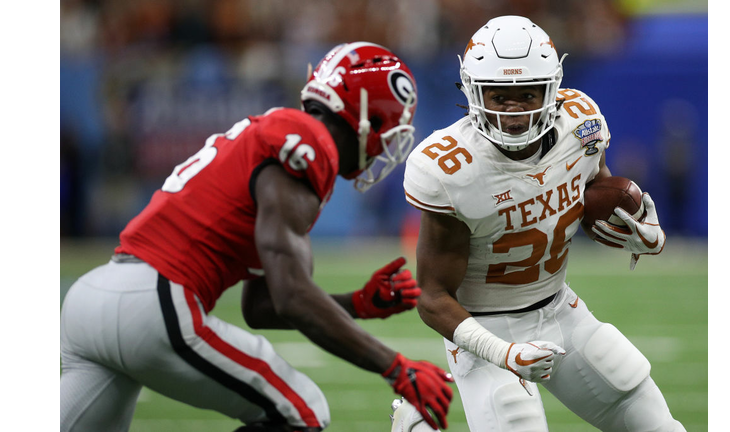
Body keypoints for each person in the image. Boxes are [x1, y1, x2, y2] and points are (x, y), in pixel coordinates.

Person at [60, 42, 454, 432]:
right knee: (304, 411)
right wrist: (395, 366)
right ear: (369, 116)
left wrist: (357, 304)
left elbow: (262, 307)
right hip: (153, 302)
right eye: (389, 130)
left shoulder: (280, 138)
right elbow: (292, 296)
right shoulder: (307, 143)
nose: (386, 146)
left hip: (92, 300)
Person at [394, 16, 685, 432]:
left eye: (527, 95)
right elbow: (432, 296)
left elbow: (594, 205)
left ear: (552, 90)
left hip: (560, 310)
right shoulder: (449, 168)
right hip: (482, 329)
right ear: (473, 92)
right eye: (498, 96)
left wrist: (638, 229)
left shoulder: (581, 127)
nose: (514, 111)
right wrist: (501, 353)